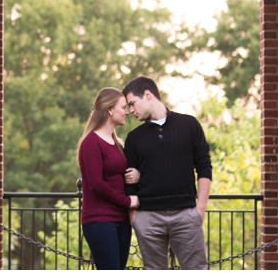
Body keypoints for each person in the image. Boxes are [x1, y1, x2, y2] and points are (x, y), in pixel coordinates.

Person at [123, 76, 212, 270]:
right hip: (148, 219)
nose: (130, 111)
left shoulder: (189, 125)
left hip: (186, 216)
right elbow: (128, 183)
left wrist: (200, 209)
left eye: (132, 103)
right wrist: (135, 220)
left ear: (147, 95)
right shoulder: (134, 138)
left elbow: (204, 166)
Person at [76, 87, 141, 270]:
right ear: (110, 109)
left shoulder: (117, 143)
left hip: (121, 221)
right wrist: (127, 201)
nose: (127, 112)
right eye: (123, 107)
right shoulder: (91, 143)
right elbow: (96, 184)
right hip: (100, 222)